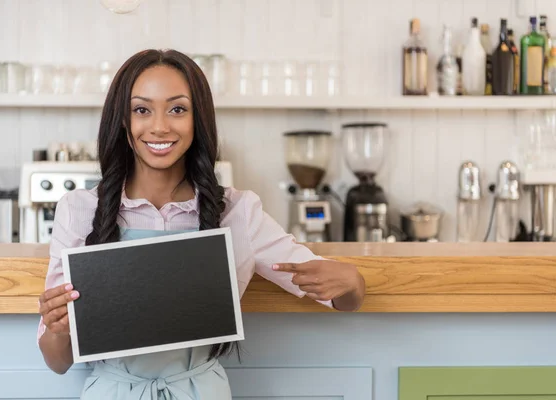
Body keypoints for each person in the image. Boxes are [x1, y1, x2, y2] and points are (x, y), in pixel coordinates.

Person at [37, 49, 366, 400]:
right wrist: (58, 329)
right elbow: (57, 361)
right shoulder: (78, 210)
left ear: (198, 120)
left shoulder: (239, 210)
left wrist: (352, 283)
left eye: (177, 109)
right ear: (122, 120)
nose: (160, 125)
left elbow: (340, 297)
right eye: (142, 109)